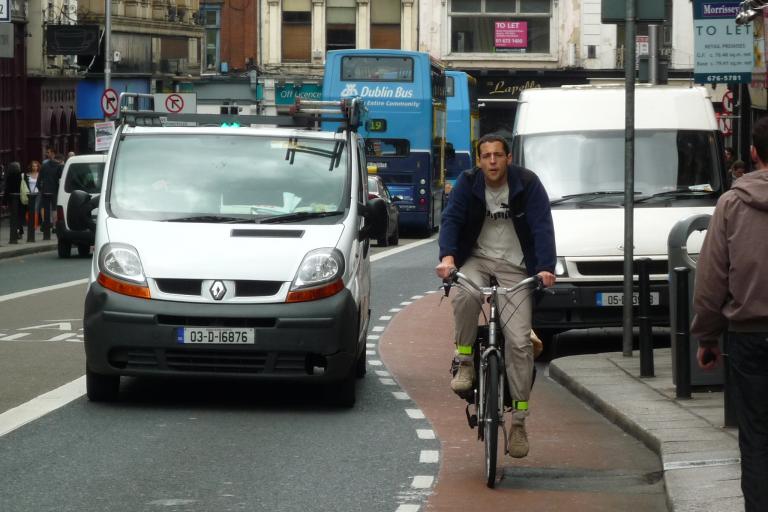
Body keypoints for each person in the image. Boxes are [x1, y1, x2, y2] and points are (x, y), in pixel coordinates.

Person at [435, 133, 557, 459]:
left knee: (519, 343)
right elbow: (452, 219)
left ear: (508, 158)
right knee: (463, 294)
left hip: (515, 267)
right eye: (486, 155)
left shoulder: (528, 184)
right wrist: (448, 258)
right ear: (478, 160)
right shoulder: (467, 182)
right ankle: (464, 363)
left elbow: (542, 225)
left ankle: (518, 421)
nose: (492, 161)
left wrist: (545, 267)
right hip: (476, 259)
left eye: (497, 155)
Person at [691, 116, 768, 512]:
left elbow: (711, 278)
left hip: (749, 334)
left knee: (755, 435)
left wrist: (707, 337)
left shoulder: (731, 204)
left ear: (753, 153)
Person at [37, 153, 64, 232]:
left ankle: (45, 224)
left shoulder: (44, 165)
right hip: (55, 190)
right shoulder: (59, 166)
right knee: (54, 208)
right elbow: (61, 178)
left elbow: (39, 178)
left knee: (45, 207)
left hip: (45, 190)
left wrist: (40, 188)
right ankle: (54, 226)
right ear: (61, 160)